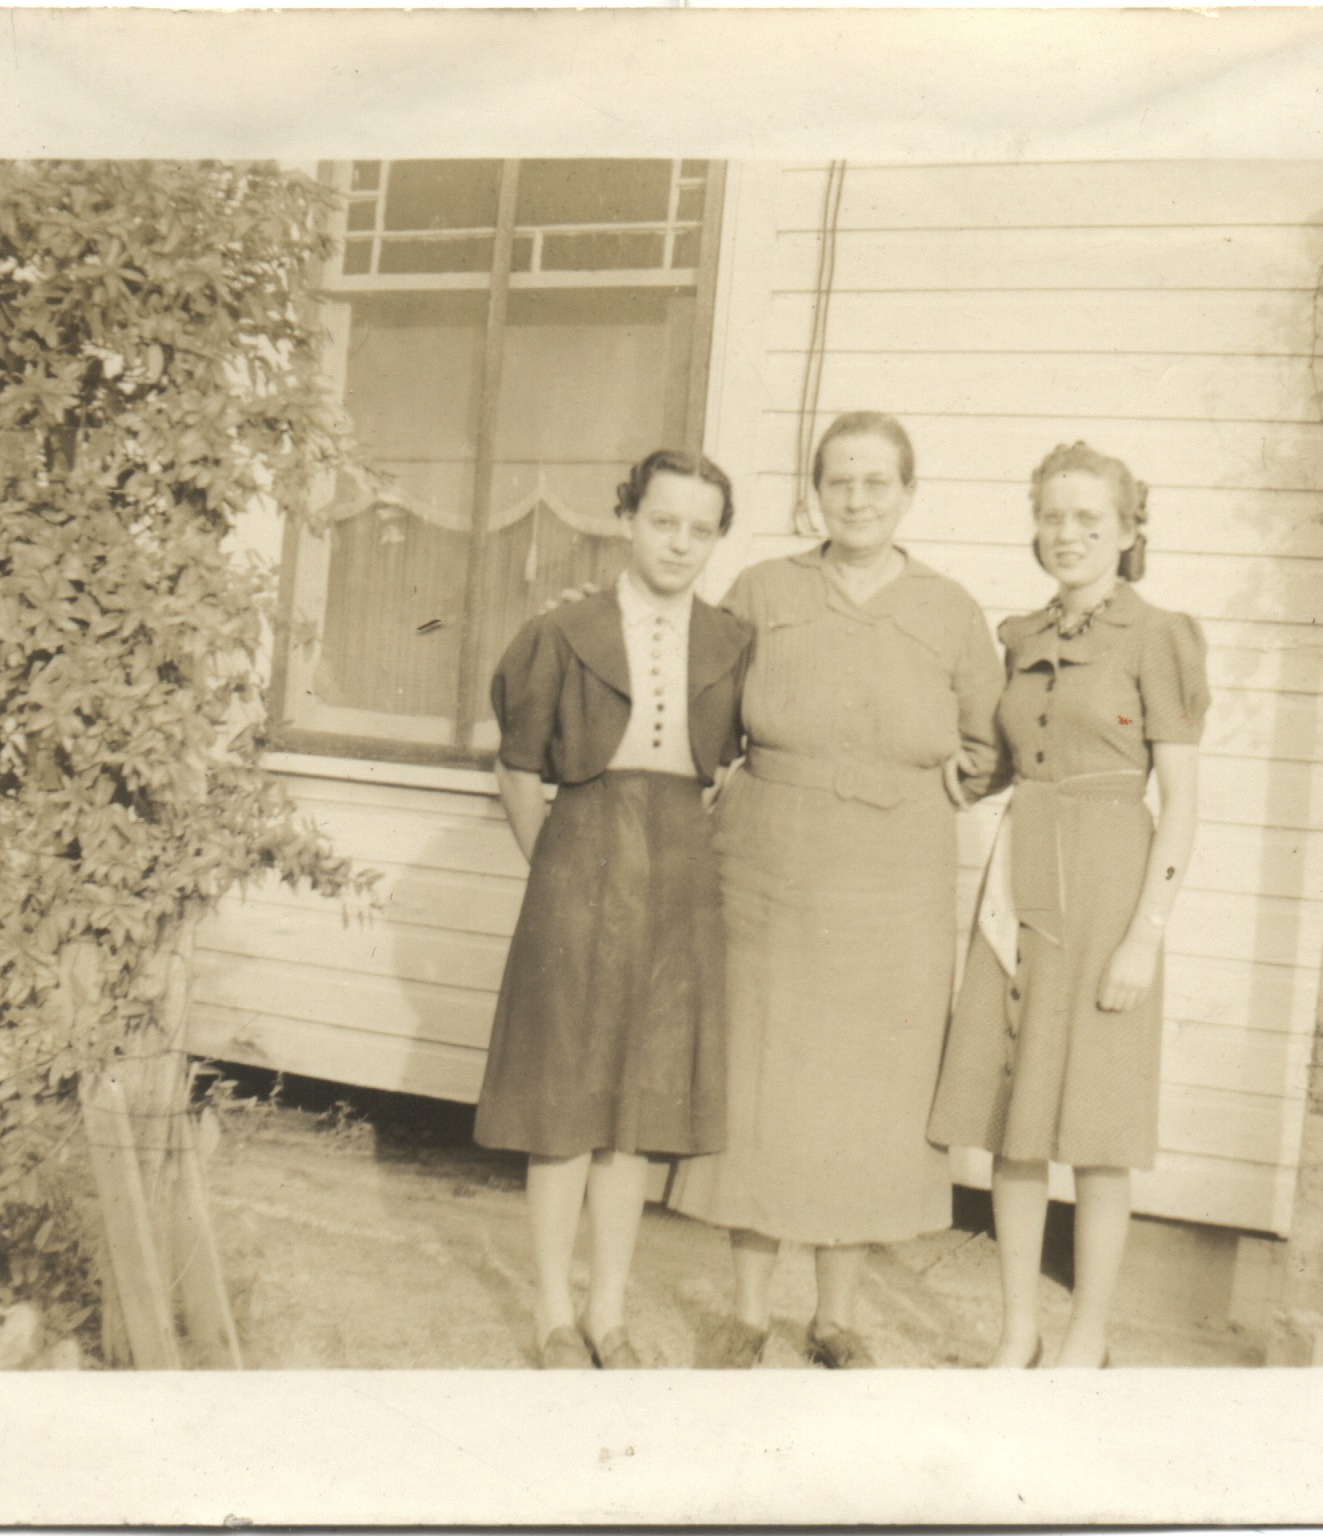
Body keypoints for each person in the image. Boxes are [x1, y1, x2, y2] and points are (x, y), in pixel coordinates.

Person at [666, 411, 1006, 1369]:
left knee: (870, 1090)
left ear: (908, 494)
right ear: (815, 492)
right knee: (761, 1081)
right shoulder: (762, 591)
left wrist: (958, 779)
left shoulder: (950, 609)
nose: (857, 499)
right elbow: (701, 708)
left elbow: (991, 741)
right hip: (768, 864)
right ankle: (747, 1314)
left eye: (876, 482)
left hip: (897, 876)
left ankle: (836, 1318)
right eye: (839, 481)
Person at [927, 441, 1208, 1370]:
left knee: (1095, 1128)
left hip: (1108, 892)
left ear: (1128, 531)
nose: (1069, 533)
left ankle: (1086, 1334)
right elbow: (1001, 766)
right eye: (1053, 516)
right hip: (1019, 886)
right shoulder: (1019, 638)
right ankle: (1018, 1331)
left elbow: (1182, 803)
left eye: (1091, 518)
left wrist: (1145, 938)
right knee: (1015, 1121)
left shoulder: (1158, 635)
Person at [474, 448, 755, 1370]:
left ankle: (607, 1312)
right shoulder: (565, 631)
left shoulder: (730, 641)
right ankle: (554, 1314)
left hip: (679, 871)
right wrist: (555, 868)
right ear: (628, 519)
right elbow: (519, 769)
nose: (679, 543)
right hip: (579, 862)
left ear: (718, 540)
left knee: (635, 1107)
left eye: (700, 530)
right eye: (663, 521)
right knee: (566, 1099)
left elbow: (733, 768)